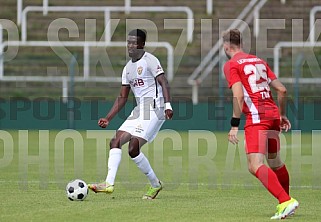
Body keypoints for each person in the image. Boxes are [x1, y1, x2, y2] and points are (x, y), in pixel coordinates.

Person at [222, 29, 299, 219]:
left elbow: (238, 95)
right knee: (275, 161)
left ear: (226, 46)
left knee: (254, 165)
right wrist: (281, 115)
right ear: (241, 44)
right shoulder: (259, 61)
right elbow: (282, 90)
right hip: (272, 114)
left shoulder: (231, 64)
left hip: (257, 118)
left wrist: (234, 125)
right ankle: (286, 202)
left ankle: (285, 201)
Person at [88, 29, 173, 199]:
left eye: (134, 43)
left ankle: (155, 185)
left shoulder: (150, 60)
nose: (131, 46)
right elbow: (122, 96)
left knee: (133, 147)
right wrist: (108, 118)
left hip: (155, 108)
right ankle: (109, 184)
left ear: (142, 44)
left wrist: (168, 105)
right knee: (115, 141)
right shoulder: (127, 68)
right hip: (140, 109)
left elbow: (163, 82)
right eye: (129, 42)